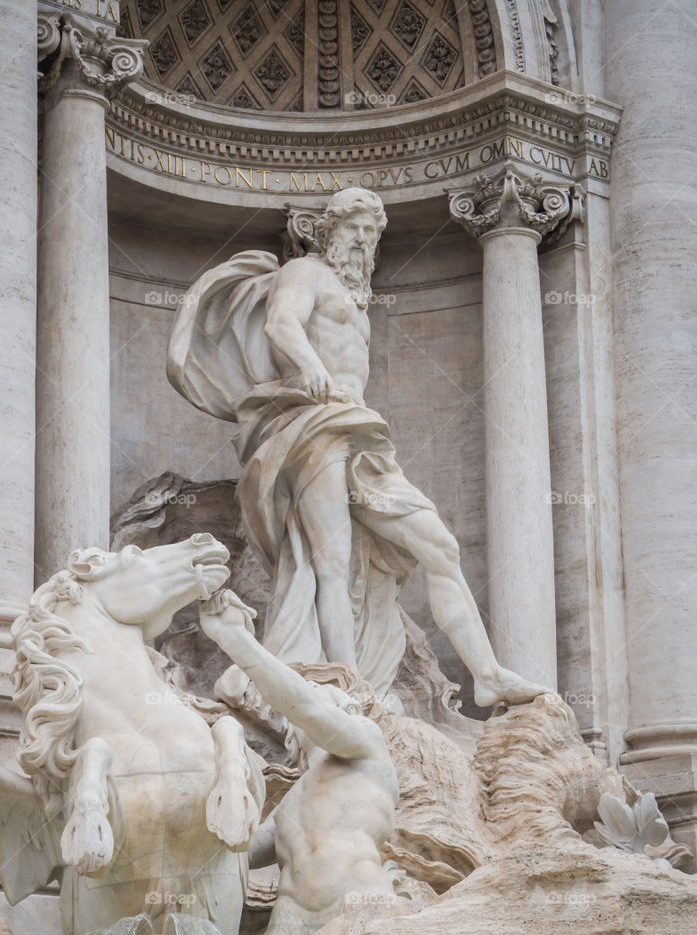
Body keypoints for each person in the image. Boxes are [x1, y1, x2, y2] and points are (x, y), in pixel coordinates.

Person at [169, 188, 548, 706]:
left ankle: (487, 674)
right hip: (311, 424)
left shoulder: (358, 297)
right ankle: (349, 686)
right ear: (328, 234)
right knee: (332, 560)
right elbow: (281, 324)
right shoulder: (305, 273)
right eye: (353, 229)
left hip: (359, 432)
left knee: (439, 545)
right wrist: (314, 370)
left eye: (372, 232)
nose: (363, 241)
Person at [199, 588, 399, 935]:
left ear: (346, 709)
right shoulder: (290, 804)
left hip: (361, 902)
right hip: (288, 920)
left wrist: (234, 638)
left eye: (316, 690)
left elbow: (303, 707)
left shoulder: (368, 745)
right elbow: (231, 851)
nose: (304, 695)